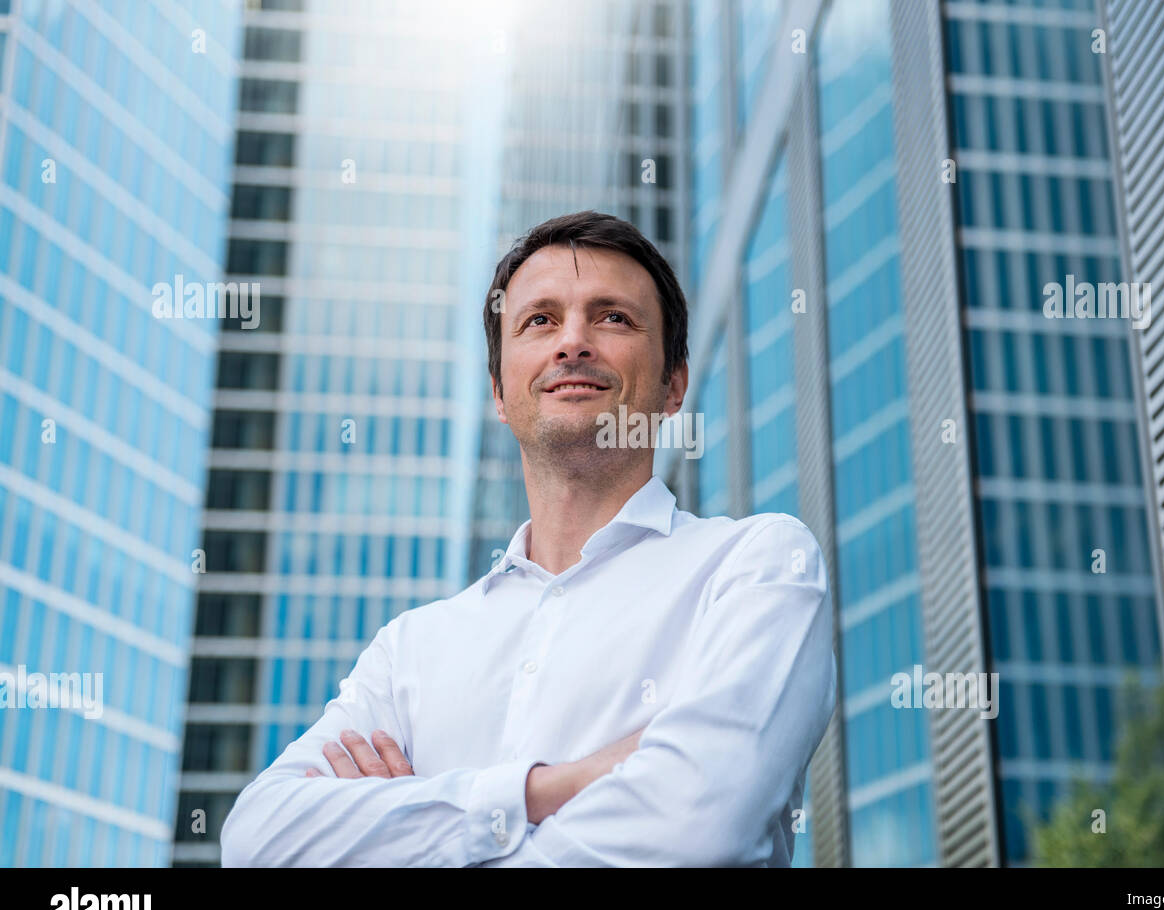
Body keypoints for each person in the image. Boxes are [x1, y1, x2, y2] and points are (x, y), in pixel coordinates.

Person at [219, 210, 837, 867]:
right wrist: (548, 786)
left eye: (613, 318)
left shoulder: (756, 565)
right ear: (499, 390)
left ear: (674, 385)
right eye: (539, 320)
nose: (573, 342)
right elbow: (259, 840)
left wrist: (416, 823)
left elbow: (696, 826)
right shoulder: (412, 650)